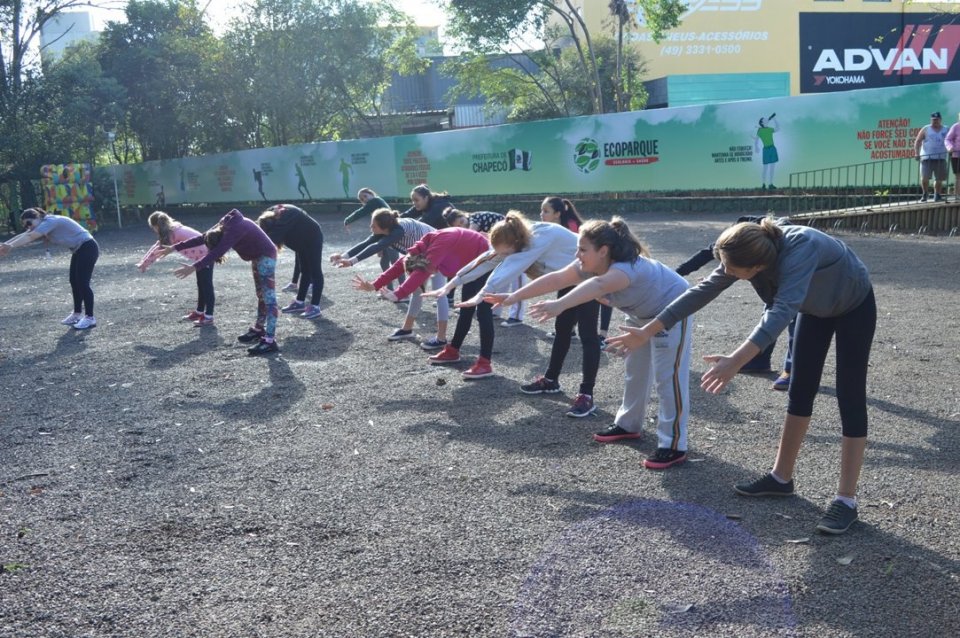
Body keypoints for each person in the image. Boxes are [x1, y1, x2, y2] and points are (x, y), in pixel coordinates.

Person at [608, 218, 875, 534]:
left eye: (734, 271)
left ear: (758, 266)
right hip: (815, 309)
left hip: (852, 304)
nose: (727, 274)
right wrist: (647, 330)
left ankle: (846, 500)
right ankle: (781, 477)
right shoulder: (747, 248)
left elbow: (780, 313)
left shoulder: (799, 250)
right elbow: (703, 289)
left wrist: (735, 361)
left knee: (850, 395)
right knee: (800, 391)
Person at [490, 218, 692, 470]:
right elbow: (557, 278)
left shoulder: (623, 270)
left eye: (582, 249)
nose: (577, 255)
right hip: (641, 314)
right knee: (635, 372)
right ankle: (628, 426)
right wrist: (512, 297)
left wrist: (560, 304)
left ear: (603, 251)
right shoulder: (592, 263)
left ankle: (673, 445)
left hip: (672, 310)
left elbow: (597, 285)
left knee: (668, 378)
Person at [437, 211, 600, 418]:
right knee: (562, 330)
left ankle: (586, 394)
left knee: (588, 336)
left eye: (507, 253)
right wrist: (452, 283)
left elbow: (508, 268)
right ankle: (551, 380)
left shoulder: (538, 238)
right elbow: (489, 258)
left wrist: (481, 295)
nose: (505, 257)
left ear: (516, 243)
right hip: (570, 280)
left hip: (592, 277)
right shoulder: (515, 237)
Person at [352, 227, 494, 378]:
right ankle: (453, 351)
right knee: (466, 309)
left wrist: (398, 294)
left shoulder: (436, 247)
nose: (433, 274)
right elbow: (402, 264)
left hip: (488, 261)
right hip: (474, 263)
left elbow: (423, 270)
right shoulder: (417, 252)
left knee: (483, 312)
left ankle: (485, 363)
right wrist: (374, 285)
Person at [675, 214, 795, 391]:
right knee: (769, 311)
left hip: (788, 281)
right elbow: (705, 254)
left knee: (794, 317)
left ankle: (792, 370)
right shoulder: (732, 243)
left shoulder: (756, 242)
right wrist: (677, 273)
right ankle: (759, 361)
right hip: (763, 277)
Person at [164, 209, 281, 355]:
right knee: (261, 294)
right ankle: (259, 329)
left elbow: (216, 252)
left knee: (269, 298)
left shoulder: (233, 231)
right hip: (258, 255)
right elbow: (203, 237)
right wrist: (174, 247)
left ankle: (270, 341)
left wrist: (194, 267)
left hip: (266, 256)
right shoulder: (223, 225)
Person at [331, 209, 447, 349]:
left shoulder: (398, 231)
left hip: (439, 251)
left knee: (440, 293)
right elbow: (367, 242)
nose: (370, 228)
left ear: (385, 228)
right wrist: (344, 256)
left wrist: (351, 262)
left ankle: (441, 338)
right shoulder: (389, 229)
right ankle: (407, 329)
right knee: (417, 291)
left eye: (373, 226)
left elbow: (377, 246)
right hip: (419, 254)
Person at [0, 208, 100, 330]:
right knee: (74, 282)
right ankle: (77, 314)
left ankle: (90, 318)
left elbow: (30, 236)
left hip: (88, 248)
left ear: (38, 217)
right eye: (26, 225)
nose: (28, 227)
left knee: (83, 283)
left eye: (29, 223)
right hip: (79, 250)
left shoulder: (50, 221)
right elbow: (26, 234)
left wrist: (10, 246)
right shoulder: (43, 223)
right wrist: (5, 245)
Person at [443, 207, 525, 327]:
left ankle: (516, 317)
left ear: (464, 215)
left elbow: (471, 236)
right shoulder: (472, 223)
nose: (463, 225)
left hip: (512, 241)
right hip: (502, 244)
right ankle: (495, 311)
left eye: (462, 221)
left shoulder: (474, 219)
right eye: (459, 225)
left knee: (517, 278)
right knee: (501, 277)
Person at [138, 211, 216, 326]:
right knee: (201, 284)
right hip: (201, 256)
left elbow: (157, 249)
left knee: (206, 285)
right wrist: (143, 262)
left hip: (207, 255)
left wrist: (144, 264)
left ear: (156, 226)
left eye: (153, 228)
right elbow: (157, 245)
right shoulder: (173, 229)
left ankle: (209, 316)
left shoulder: (172, 233)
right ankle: (200, 312)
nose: (154, 231)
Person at [257, 204, 325, 320]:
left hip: (313, 238)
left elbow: (270, 240)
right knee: (305, 270)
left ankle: (315, 306)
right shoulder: (270, 216)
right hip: (299, 239)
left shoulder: (285, 216)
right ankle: (299, 302)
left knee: (315, 271)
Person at [340, 188, 401, 290]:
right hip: (384, 234)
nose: (364, 199)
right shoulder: (376, 204)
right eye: (361, 199)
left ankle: (403, 292)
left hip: (391, 234)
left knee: (396, 263)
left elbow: (361, 212)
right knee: (384, 262)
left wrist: (348, 220)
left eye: (365, 196)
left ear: (371, 194)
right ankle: (390, 290)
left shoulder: (375, 201)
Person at [914, 111, 949, 202]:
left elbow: (950, 140)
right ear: (931, 120)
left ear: (940, 119)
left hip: (941, 157)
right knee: (925, 177)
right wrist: (916, 153)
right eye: (933, 120)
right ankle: (925, 193)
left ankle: (937, 195)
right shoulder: (926, 129)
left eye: (937, 120)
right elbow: (917, 141)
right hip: (926, 158)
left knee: (939, 178)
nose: (935, 121)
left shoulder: (946, 129)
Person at [754, 114, 780, 190]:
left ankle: (771, 184)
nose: (766, 119)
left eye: (766, 119)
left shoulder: (769, 129)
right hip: (766, 150)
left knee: (772, 168)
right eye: (764, 119)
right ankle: (763, 184)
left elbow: (778, 129)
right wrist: (756, 147)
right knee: (765, 168)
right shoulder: (760, 131)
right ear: (762, 122)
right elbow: (756, 140)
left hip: (772, 148)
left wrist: (775, 119)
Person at [943, 112, 960, 202]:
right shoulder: (955, 126)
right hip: (957, 155)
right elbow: (947, 139)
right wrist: (950, 147)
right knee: (958, 176)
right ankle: (957, 195)